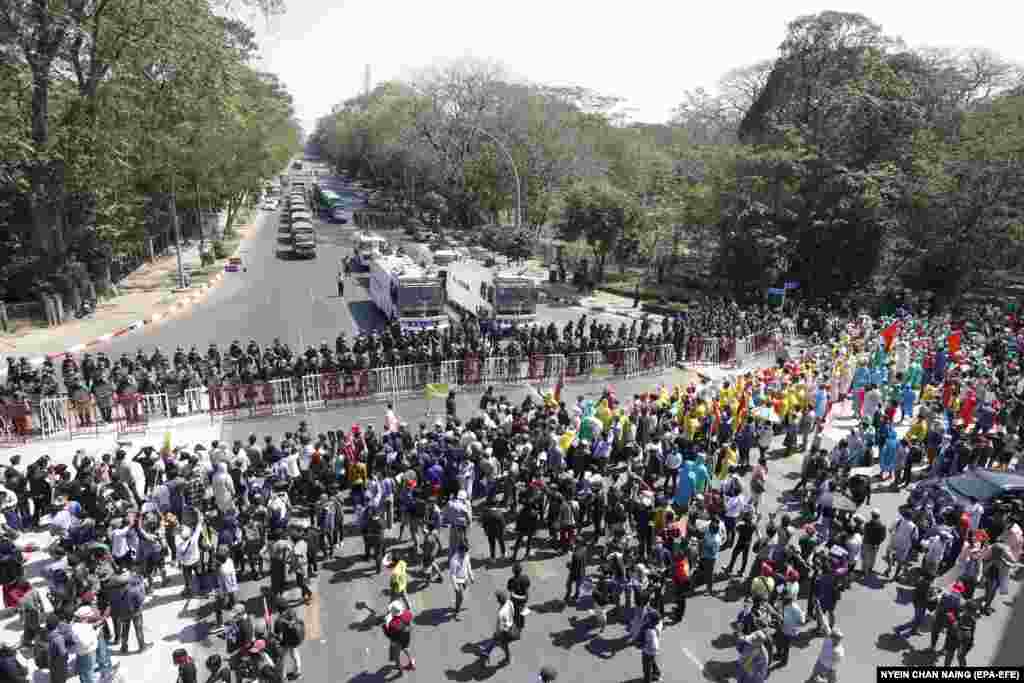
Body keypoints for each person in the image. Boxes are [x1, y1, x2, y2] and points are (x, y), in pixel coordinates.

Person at [479, 589, 515, 666]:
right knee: (498, 643)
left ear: (499, 601)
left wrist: (497, 634)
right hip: (511, 626)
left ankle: (507, 659)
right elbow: (513, 612)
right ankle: (486, 653)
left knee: (503, 645)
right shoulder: (509, 603)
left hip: (504, 632)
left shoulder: (501, 613)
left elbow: (499, 627)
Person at [810, 606, 844, 683]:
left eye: (833, 636)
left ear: (836, 640)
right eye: (832, 635)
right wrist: (818, 607)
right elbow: (823, 620)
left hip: (827, 667)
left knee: (820, 680)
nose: (830, 636)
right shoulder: (829, 636)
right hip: (820, 663)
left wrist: (822, 679)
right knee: (814, 678)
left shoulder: (838, 652)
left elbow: (833, 667)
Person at [382, 600, 415, 675]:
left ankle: (400, 669)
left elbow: (389, 634)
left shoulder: (392, 623)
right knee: (406, 648)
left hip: (397, 640)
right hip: (406, 636)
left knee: (396, 656)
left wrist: (385, 625)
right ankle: (411, 661)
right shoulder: (407, 613)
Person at [273, 604, 305, 680]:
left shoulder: (279, 621)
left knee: (282, 658)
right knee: (294, 653)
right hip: (297, 639)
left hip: (287, 642)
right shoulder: (292, 612)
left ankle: (283, 677)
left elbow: (277, 635)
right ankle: (298, 671)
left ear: (278, 610)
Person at [449, 543, 474, 618]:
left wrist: (471, 576)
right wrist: (455, 585)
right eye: (462, 552)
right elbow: (452, 574)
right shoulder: (454, 560)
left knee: (460, 596)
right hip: (458, 581)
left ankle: (457, 606)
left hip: (465, 579)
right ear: (459, 551)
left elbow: (468, 565)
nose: (464, 553)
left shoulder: (467, 556)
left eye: (465, 551)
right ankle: (457, 612)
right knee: (461, 596)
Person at [639, 609, 663, 683]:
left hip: (648, 651)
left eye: (648, 618)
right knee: (652, 661)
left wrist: (644, 645)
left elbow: (653, 645)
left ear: (651, 621)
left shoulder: (650, 632)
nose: (646, 619)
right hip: (652, 652)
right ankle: (657, 673)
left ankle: (647, 680)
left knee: (646, 668)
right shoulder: (658, 625)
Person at [507, 562, 531, 630]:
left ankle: (516, 625)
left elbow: (509, 589)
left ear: (513, 571)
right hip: (524, 598)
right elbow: (528, 586)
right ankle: (522, 624)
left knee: (515, 613)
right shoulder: (526, 578)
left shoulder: (511, 580)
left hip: (515, 599)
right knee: (522, 611)